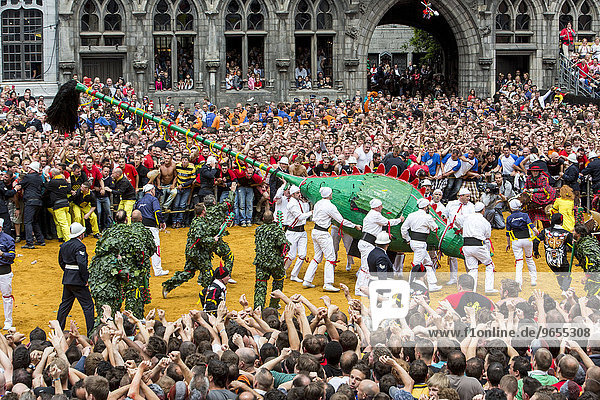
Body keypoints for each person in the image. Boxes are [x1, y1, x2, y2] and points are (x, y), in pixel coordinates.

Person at [301, 187, 361, 292]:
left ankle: (307, 280)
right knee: (330, 258)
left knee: (317, 257)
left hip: (315, 231)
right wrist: (354, 225)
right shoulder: (330, 206)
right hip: (323, 233)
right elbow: (341, 221)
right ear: (329, 194)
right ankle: (328, 283)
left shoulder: (318, 203)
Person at [356, 198, 404, 296]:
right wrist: (400, 220)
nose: (382, 208)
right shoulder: (375, 215)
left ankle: (361, 288)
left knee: (365, 267)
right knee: (365, 268)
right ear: (377, 207)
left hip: (366, 243)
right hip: (367, 244)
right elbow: (388, 222)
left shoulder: (372, 214)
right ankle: (360, 289)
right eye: (381, 206)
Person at [57, 222, 95, 336]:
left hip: (67, 278)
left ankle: (58, 330)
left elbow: (61, 262)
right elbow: (82, 264)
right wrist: (85, 279)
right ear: (80, 234)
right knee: (88, 305)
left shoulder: (64, 245)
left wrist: (68, 273)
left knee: (65, 306)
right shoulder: (79, 246)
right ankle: (90, 332)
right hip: (78, 280)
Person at [401, 198, 441, 291]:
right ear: (426, 207)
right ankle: (411, 286)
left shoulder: (411, 215)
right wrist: (433, 221)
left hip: (414, 242)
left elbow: (403, 229)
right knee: (416, 265)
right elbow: (435, 228)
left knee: (428, 263)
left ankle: (432, 284)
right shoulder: (427, 217)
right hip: (421, 244)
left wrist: (408, 239)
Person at [253, 211, 289, 309]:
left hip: (261, 262)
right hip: (275, 263)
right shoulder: (277, 231)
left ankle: (258, 308)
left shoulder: (258, 230)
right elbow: (285, 246)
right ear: (273, 219)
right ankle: (273, 306)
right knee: (278, 282)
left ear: (263, 219)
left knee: (260, 285)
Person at [460, 202, 497, 294]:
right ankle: (488, 288)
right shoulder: (485, 221)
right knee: (489, 265)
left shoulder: (467, 217)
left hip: (466, 246)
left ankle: (471, 289)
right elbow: (487, 235)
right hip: (478, 245)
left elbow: (457, 219)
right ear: (483, 210)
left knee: (473, 269)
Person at [134, 183, 169, 277]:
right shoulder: (154, 199)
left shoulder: (139, 201)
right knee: (155, 247)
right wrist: (161, 222)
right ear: (152, 190)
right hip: (151, 226)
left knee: (141, 248)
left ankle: (139, 270)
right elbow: (157, 211)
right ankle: (157, 270)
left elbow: (135, 213)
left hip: (140, 227)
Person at [533, 213, 573, 293]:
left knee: (559, 274)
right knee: (567, 275)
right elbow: (573, 246)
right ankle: (564, 290)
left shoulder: (545, 231)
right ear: (561, 222)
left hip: (549, 260)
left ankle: (563, 289)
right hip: (561, 260)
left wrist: (536, 252)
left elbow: (536, 240)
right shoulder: (567, 233)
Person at [446, 188, 475, 284]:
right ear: (461, 196)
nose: (469, 198)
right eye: (467, 196)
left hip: (466, 233)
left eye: (469, 196)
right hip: (453, 232)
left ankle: (469, 277)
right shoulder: (451, 204)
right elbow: (445, 216)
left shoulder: (471, 206)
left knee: (467, 254)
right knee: (452, 256)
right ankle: (453, 278)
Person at [506, 199, 537, 287]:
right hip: (527, 240)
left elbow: (508, 233)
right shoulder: (525, 215)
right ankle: (533, 280)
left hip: (516, 241)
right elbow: (531, 225)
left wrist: (508, 244)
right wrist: (537, 232)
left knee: (519, 262)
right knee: (529, 259)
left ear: (511, 208)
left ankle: (518, 283)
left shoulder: (509, 218)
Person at [285, 185, 312, 284]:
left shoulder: (299, 202)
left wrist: (306, 204)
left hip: (301, 231)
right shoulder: (292, 204)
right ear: (292, 194)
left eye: (299, 192)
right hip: (292, 232)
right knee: (291, 255)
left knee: (302, 254)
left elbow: (304, 213)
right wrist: (311, 212)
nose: (299, 194)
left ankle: (294, 275)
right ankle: (283, 270)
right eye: (297, 193)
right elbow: (300, 217)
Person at [16, 161, 45, 249]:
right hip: (38, 202)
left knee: (27, 222)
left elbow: (20, 185)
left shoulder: (28, 177)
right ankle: (40, 240)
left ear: (32, 169)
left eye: (29, 168)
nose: (28, 169)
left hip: (30, 202)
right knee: (35, 221)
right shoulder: (39, 178)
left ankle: (29, 242)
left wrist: (16, 185)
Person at [45, 168, 72, 242]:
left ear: (53, 175)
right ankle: (61, 237)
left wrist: (47, 179)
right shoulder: (64, 181)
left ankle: (68, 240)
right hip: (66, 204)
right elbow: (69, 189)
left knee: (62, 223)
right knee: (66, 222)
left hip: (58, 205)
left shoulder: (53, 182)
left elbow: (46, 186)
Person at [573, 223, 600, 296]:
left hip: (596, 278)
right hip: (595, 277)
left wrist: (587, 276)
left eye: (573, 231)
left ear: (578, 234)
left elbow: (593, 262)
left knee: (592, 300)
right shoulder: (587, 241)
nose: (572, 232)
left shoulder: (585, 246)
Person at [0, 219, 15, 330]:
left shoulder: (8, 239)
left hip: (4, 272)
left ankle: (8, 322)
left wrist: (2, 254)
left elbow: (12, 255)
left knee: (6, 297)